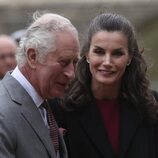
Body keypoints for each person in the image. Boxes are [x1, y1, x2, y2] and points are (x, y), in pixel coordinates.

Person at [50, 13, 158, 158]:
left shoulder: (151, 106)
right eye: (99, 52)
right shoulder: (60, 106)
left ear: (129, 58)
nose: (107, 62)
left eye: (117, 53)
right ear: (87, 54)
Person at [0, 11, 79, 158]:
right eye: (64, 62)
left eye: (75, 63)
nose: (71, 73)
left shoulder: (45, 102)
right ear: (33, 57)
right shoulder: (3, 112)